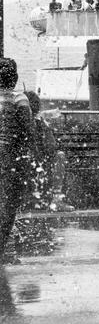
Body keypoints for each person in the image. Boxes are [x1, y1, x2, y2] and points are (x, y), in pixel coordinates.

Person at [0, 58, 33, 260]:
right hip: (10, 159)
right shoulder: (19, 99)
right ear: (16, 78)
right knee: (8, 204)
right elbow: (26, 131)